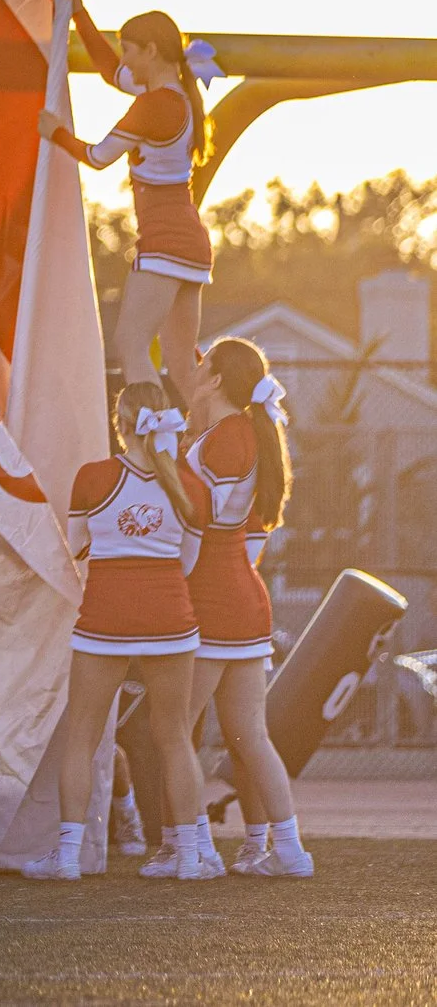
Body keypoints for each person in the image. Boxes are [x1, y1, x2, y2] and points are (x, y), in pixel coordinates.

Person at [24, 382, 213, 883]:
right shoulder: (190, 485)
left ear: (120, 424)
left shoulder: (93, 477)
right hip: (170, 619)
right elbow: (188, 563)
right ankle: (189, 857)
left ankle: (67, 857)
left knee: (82, 738)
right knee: (175, 737)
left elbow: (76, 547)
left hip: (104, 619)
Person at [179, 337, 311, 877]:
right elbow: (242, 530)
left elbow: (195, 522)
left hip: (213, 597)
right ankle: (289, 851)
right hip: (243, 596)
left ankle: (197, 848)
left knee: (177, 733)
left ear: (215, 380)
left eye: (203, 365)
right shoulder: (240, 432)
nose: (195, 371)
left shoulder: (228, 437)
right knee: (248, 735)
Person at [39, 4, 214, 387]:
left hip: (165, 241)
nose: (125, 61)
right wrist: (79, 13)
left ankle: (154, 427)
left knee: (130, 345)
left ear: (151, 51)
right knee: (183, 366)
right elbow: (110, 71)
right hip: (190, 243)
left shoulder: (152, 105)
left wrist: (55, 132)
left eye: (129, 50)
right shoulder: (178, 93)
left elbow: (98, 156)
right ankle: (216, 423)